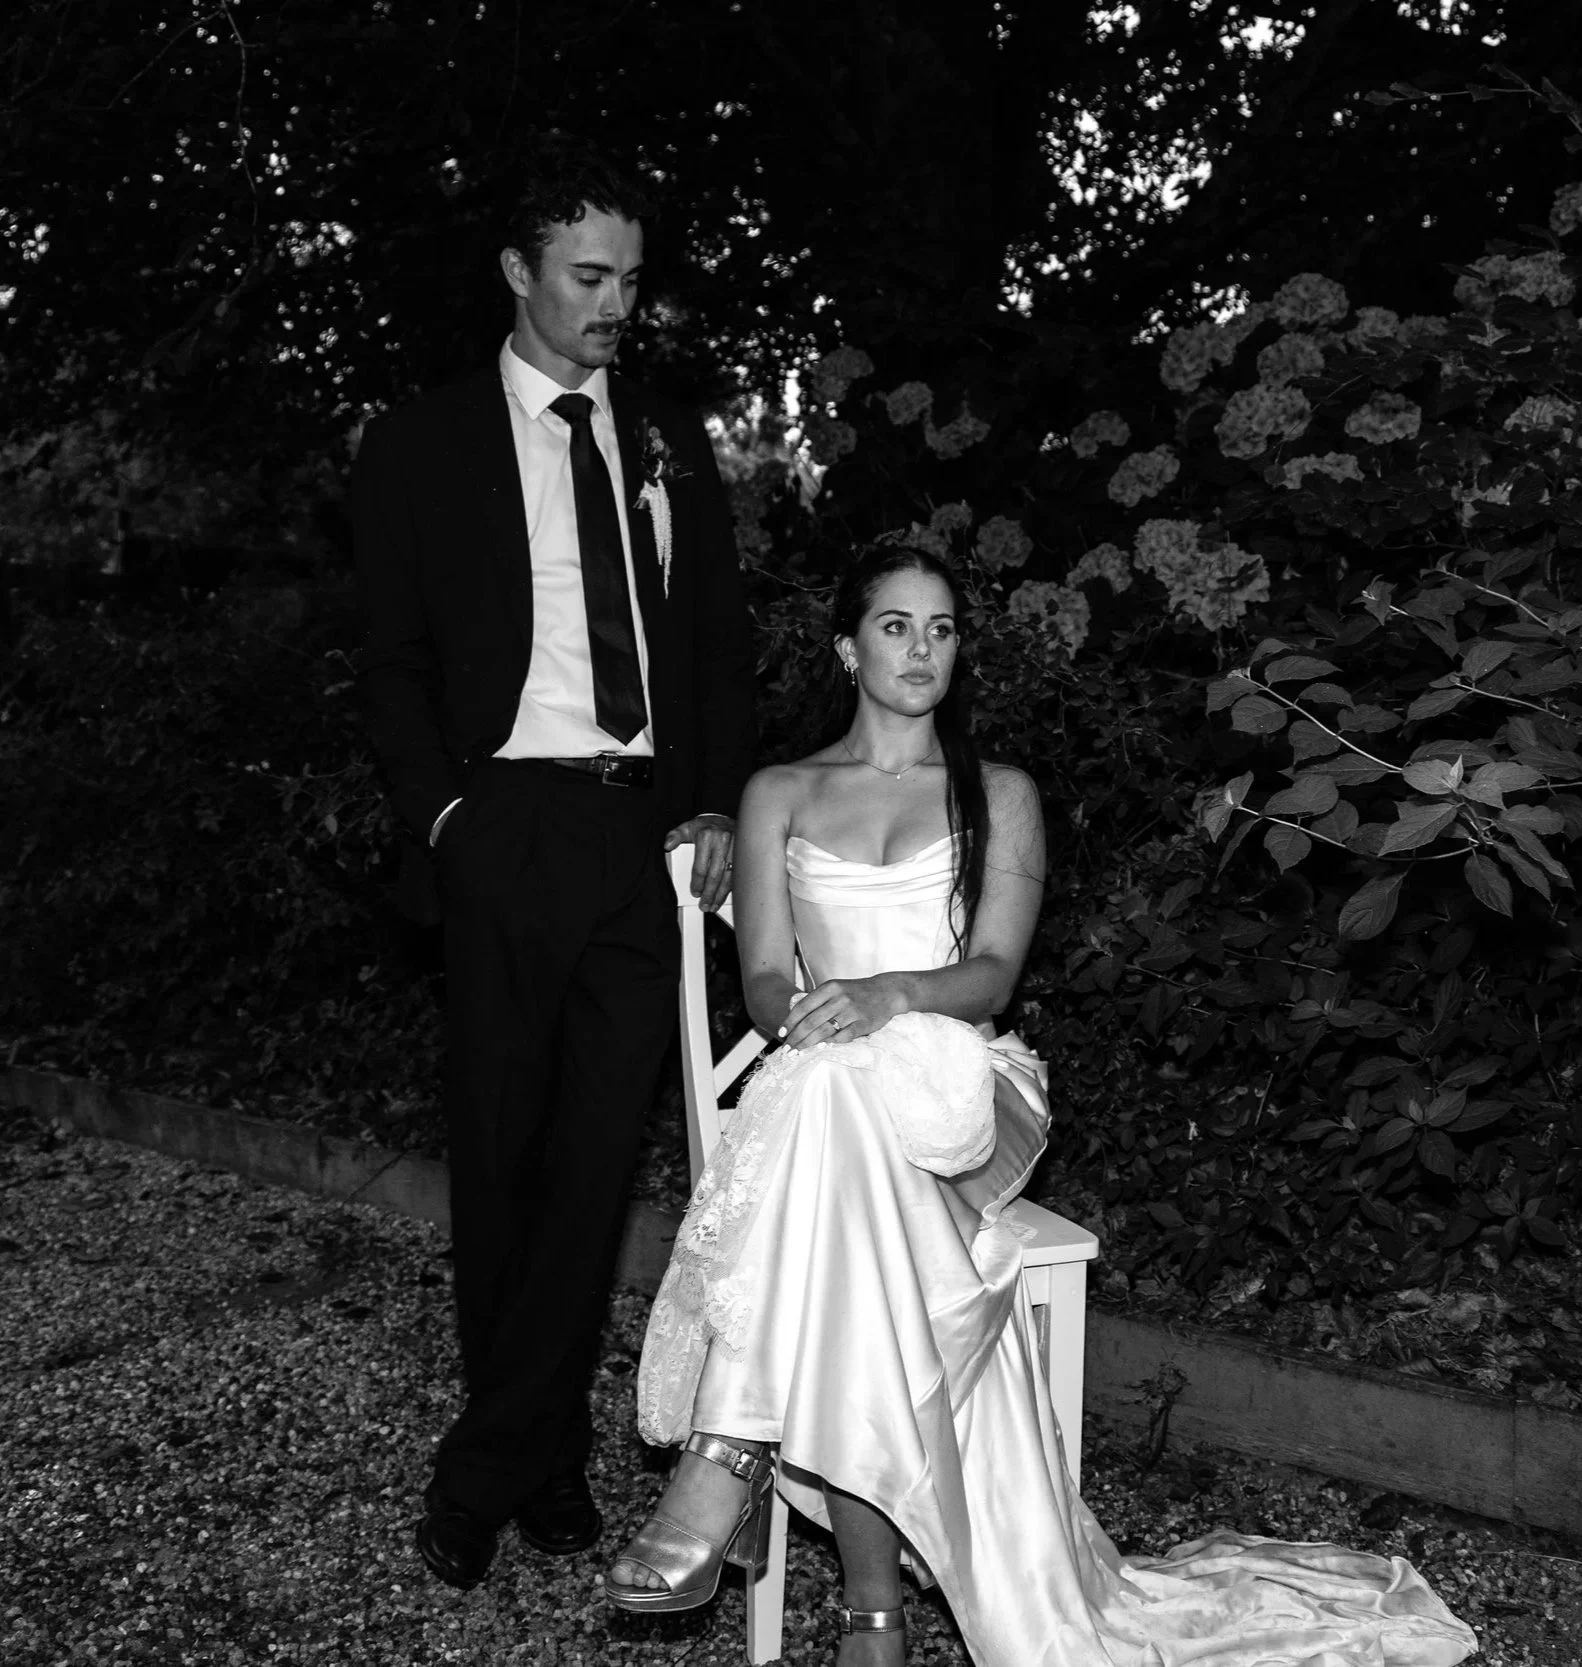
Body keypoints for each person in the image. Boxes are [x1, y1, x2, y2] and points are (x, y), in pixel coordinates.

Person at [606, 545, 1476, 1666]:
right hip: (834, 1101)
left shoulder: (999, 792)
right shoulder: (778, 791)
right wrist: (819, 1017)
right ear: (845, 649)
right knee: (840, 1175)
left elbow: (991, 976)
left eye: (940, 629)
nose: (920, 649)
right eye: (894, 626)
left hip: (963, 1088)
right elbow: (768, 981)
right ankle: (872, 1620)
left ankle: (725, 1454)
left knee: (834, 1099)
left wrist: (884, 996)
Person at [352, 132, 755, 1590]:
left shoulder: (670, 438)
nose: (615, 305)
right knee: (503, 1161)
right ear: (517, 272)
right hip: (504, 823)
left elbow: (714, 643)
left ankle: (502, 1460)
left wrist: (714, 806)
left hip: (644, 836)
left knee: (592, 1167)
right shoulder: (421, 444)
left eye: (630, 279)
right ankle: (535, 1456)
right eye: (588, 276)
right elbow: (389, 662)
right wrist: (445, 822)